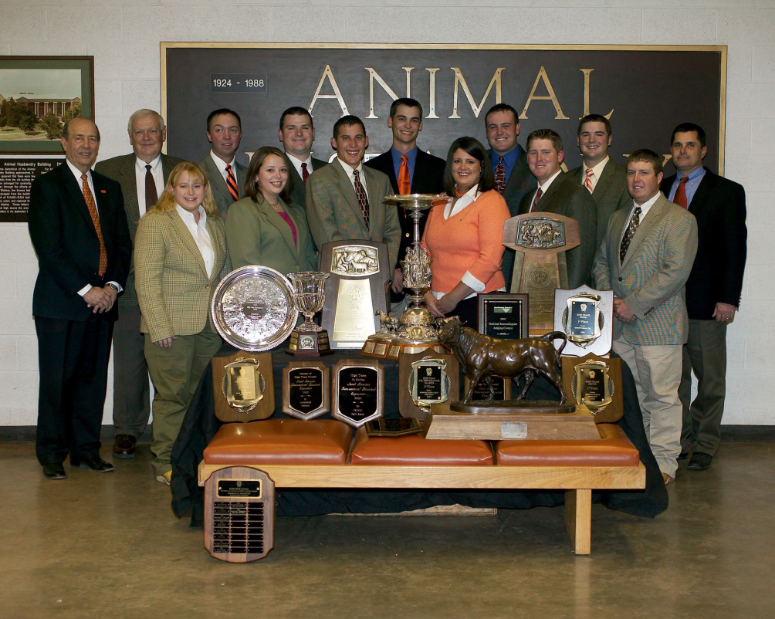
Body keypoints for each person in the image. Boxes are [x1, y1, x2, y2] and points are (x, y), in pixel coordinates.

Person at [28, 117, 132, 480]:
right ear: (64, 143)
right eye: (78, 138)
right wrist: (87, 290)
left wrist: (113, 288)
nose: (86, 145)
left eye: (92, 139)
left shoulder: (109, 187)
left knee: (91, 381)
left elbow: (121, 245)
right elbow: (50, 248)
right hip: (61, 304)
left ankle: (86, 450)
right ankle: (52, 454)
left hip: (104, 303)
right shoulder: (47, 186)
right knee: (58, 381)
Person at [592, 149, 698, 485]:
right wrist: (613, 300)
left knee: (663, 398)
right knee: (634, 400)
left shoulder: (679, 219)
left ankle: (665, 464)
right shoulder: (617, 217)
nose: (636, 179)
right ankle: (642, 459)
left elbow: (674, 272)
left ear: (658, 177)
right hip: (622, 327)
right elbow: (601, 263)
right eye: (632, 173)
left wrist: (633, 304)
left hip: (658, 326)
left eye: (644, 173)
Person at [94, 109, 184, 459]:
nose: (146, 138)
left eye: (152, 131)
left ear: (163, 133)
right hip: (128, 284)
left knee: (171, 362)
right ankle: (127, 429)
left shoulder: (182, 169)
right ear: (129, 136)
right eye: (139, 132)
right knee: (129, 361)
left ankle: (174, 430)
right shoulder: (109, 171)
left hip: (173, 285)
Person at [134, 162, 231, 485]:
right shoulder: (156, 222)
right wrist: (159, 326)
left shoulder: (213, 222)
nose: (191, 192)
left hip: (208, 327)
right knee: (172, 397)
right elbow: (146, 280)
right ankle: (165, 461)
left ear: (206, 189)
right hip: (171, 328)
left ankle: (193, 459)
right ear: (171, 189)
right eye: (184, 186)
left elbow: (218, 275)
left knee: (200, 397)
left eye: (197, 186)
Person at [660, 123, 747, 471]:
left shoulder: (727, 192)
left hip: (707, 303)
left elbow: (735, 249)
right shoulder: (661, 188)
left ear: (703, 150)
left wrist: (729, 298)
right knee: (673, 382)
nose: (683, 151)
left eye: (690, 145)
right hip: (665, 304)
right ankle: (678, 445)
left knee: (709, 380)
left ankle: (705, 444)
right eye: (678, 145)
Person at [366, 97, 446, 313]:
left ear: (420, 125)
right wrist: (391, 266)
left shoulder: (439, 168)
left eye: (414, 120)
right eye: (402, 119)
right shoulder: (371, 170)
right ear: (390, 121)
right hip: (387, 276)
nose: (408, 126)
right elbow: (370, 225)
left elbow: (442, 224)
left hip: (430, 274)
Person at [421, 137, 510, 327]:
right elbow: (424, 251)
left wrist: (453, 298)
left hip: (478, 303)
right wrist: (425, 292)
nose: (463, 167)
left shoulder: (492, 201)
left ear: (481, 168)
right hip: (436, 305)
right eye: (457, 161)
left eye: (470, 161)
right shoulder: (439, 201)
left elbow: (490, 260)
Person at [305, 115, 401, 274]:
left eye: (358, 138)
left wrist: (384, 273)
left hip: (379, 282)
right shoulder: (319, 180)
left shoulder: (381, 180)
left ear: (366, 141)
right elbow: (327, 236)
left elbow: (392, 232)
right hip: (341, 280)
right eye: (345, 138)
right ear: (334, 142)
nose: (353, 144)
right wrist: (360, 274)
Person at [518, 128, 597, 288]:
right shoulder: (526, 199)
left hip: (561, 294)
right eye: (533, 153)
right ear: (527, 158)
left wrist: (567, 298)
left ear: (560, 156)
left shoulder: (575, 194)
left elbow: (581, 258)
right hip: (531, 292)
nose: (539, 159)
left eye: (546, 152)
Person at [225, 146, 318, 273]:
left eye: (283, 170)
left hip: (299, 290)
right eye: (270, 170)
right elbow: (246, 267)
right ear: (256, 175)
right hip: (267, 291)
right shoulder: (242, 210)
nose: (278, 175)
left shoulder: (297, 211)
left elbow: (309, 257)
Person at [484, 103, 537, 288]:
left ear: (517, 128)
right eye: (493, 127)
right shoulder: (473, 165)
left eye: (505, 126)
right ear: (486, 132)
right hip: (477, 271)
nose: (499, 132)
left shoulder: (535, 166)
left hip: (520, 267)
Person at [569, 114, 630, 248]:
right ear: (578, 140)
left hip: (607, 265)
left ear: (609, 140)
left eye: (599, 134)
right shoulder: (566, 180)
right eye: (586, 134)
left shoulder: (626, 178)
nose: (592, 140)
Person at [198, 108, 247, 219]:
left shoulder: (249, 176)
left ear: (240, 135)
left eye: (233, 130)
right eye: (219, 130)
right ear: (209, 135)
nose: (227, 136)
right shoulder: (196, 173)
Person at [278, 106, 327, 209]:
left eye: (304, 127)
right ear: (281, 134)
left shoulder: (330, 171)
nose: (299, 133)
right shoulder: (273, 173)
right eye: (291, 128)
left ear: (313, 134)